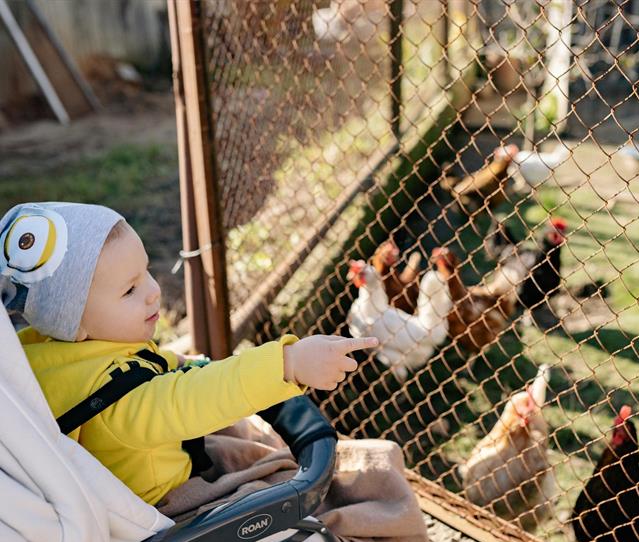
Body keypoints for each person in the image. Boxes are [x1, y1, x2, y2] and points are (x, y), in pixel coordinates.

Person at [0, 201, 378, 505]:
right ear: (76, 325)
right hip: (164, 502)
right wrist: (289, 363)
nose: (153, 291)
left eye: (146, 271)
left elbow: (157, 370)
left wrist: (184, 364)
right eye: (129, 290)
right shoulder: (118, 402)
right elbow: (196, 399)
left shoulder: (42, 349)